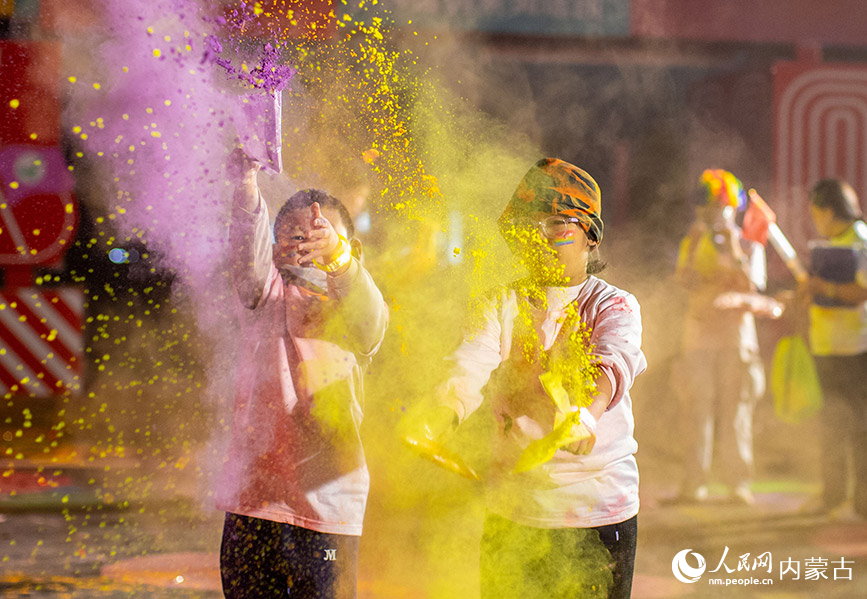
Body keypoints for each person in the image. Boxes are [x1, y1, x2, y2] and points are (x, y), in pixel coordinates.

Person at [411, 158, 646, 599]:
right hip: (513, 511)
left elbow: (612, 365)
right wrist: (438, 416)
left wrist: (586, 415)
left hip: (596, 512)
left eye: (556, 223)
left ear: (591, 235)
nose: (539, 237)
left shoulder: (614, 305)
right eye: (527, 225)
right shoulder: (499, 303)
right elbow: (467, 365)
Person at [216, 149, 389, 599]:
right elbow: (248, 256)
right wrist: (246, 186)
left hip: (329, 506)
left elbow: (371, 320)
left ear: (352, 250)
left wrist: (337, 260)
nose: (308, 242)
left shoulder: (352, 309)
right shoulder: (262, 294)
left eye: (322, 233)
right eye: (295, 235)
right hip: (255, 505)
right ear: (274, 248)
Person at [673, 169, 767, 505]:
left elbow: (752, 287)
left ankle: (738, 484)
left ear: (732, 208)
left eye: (718, 206)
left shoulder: (749, 243)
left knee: (736, 412)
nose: (712, 213)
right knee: (695, 410)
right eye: (707, 207)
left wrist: (732, 245)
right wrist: (695, 248)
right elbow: (683, 281)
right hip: (699, 337)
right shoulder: (693, 240)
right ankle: (694, 484)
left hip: (736, 339)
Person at [804, 178, 867, 519]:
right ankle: (832, 496)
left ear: (828, 211)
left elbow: (862, 292)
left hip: (856, 351)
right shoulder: (835, 243)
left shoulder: (860, 241)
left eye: (815, 213)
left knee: (859, 428)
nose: (816, 221)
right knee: (831, 425)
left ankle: (861, 504)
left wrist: (824, 287)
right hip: (828, 348)